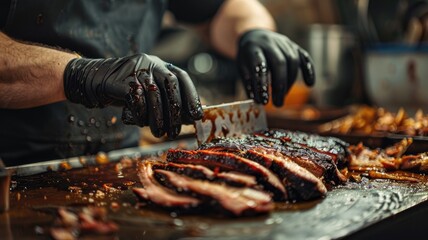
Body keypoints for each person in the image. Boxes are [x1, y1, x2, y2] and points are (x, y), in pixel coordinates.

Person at [0, 0, 315, 166]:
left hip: (115, 162)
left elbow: (224, 10)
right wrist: (81, 75)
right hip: (10, 164)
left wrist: (253, 31)